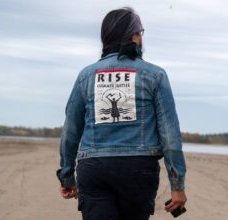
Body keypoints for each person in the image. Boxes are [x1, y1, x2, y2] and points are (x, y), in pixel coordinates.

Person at [57, 7, 187, 220]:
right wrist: (177, 185)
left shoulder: (86, 76)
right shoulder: (155, 75)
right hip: (138, 169)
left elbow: (70, 132)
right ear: (134, 37)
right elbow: (170, 137)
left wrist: (67, 176)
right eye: (140, 33)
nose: (141, 38)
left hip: (94, 169)